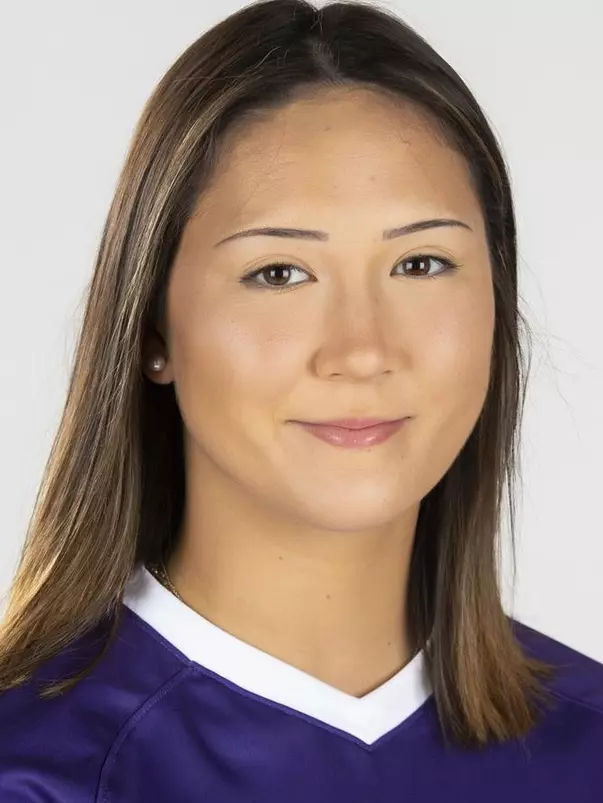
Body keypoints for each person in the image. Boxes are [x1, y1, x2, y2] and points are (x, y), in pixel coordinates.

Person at [1, 0, 602, 800]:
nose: (361, 350)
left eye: (420, 264)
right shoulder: (32, 770)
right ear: (152, 328)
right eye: (278, 273)